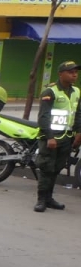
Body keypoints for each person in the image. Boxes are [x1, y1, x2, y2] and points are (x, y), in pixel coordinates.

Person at [34, 60, 81, 212]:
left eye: (76, 71)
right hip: (51, 137)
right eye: (70, 72)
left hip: (67, 138)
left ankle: (49, 198)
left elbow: (78, 114)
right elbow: (43, 117)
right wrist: (50, 137)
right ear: (61, 74)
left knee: (56, 168)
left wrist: (78, 133)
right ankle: (41, 200)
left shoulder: (77, 92)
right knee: (47, 167)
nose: (74, 74)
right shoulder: (50, 92)